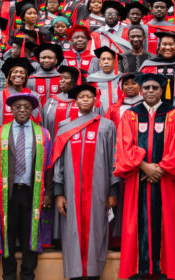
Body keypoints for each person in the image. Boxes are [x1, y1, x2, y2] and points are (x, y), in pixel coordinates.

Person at [114, 73, 175, 280]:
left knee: (166, 227)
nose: (150, 92)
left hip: (166, 180)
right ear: (140, 90)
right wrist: (145, 166)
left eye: (155, 88)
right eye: (146, 88)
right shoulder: (130, 114)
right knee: (135, 226)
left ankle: (164, 271)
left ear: (161, 90)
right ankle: (137, 272)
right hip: (137, 180)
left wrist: (161, 168)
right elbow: (123, 146)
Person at [52, 84, 119, 280]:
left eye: (89, 97)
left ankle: (93, 273)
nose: (85, 100)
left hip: (99, 190)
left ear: (95, 100)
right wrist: (59, 192)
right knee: (72, 230)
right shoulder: (65, 126)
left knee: (96, 229)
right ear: (76, 101)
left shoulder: (107, 126)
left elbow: (114, 159)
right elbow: (58, 162)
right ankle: (75, 273)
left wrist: (113, 191)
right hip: (71, 191)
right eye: (81, 97)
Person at [0, 92, 54, 280]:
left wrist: (48, 192)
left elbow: (48, 165)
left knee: (30, 233)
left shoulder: (43, 134)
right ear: (11, 109)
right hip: (7, 193)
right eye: (18, 107)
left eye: (26, 107)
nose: (22, 110)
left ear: (32, 109)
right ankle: (8, 275)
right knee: (7, 233)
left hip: (32, 192)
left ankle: (27, 274)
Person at [0, 58, 41, 129]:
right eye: (15, 72)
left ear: (25, 77)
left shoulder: (34, 97)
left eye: (22, 72)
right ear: (9, 77)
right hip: (3, 137)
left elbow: (39, 121)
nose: (18, 74)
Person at [139, 31, 175, 103]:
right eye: (164, 44)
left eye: (171, 44)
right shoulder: (148, 66)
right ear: (159, 47)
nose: (168, 47)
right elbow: (140, 90)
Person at [27, 42, 64, 107]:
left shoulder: (62, 79)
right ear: (39, 60)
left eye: (50, 58)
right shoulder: (30, 81)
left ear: (56, 60)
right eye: (43, 58)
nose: (46, 60)